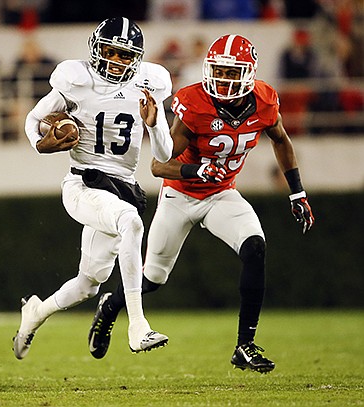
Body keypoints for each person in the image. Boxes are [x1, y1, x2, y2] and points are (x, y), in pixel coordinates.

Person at [87, 34, 315, 373]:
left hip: (221, 194)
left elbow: (280, 139)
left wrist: (297, 191)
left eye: (230, 72)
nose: (222, 79)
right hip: (179, 195)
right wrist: (199, 168)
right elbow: (159, 165)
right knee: (152, 279)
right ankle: (110, 306)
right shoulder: (195, 102)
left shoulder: (265, 100)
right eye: (218, 71)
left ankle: (245, 345)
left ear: (248, 73)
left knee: (255, 247)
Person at [13, 17, 174, 360]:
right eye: (111, 52)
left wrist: (155, 123)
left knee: (88, 283)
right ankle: (138, 326)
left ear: (137, 58)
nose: (116, 60)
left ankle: (36, 313)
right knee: (130, 221)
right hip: (82, 184)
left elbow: (164, 155)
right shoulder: (76, 80)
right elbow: (33, 118)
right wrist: (40, 144)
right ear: (96, 49)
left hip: (122, 187)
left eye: (124, 55)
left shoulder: (151, 84)